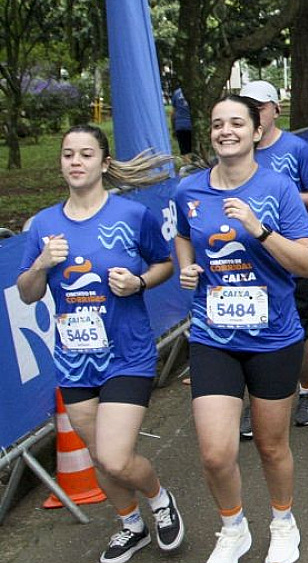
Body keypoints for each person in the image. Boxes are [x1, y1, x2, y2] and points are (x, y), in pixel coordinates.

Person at [17, 126, 183, 563]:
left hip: (127, 355)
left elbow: (164, 263)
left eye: (85, 154)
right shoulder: (44, 225)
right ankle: (131, 526)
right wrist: (40, 263)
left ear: (103, 164)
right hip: (75, 362)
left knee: (113, 456)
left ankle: (160, 499)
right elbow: (28, 292)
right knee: (98, 456)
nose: (75, 161)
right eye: (68, 154)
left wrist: (139, 282)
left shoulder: (130, 216)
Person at [174, 95, 308, 563]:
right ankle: (233, 528)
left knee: (272, 446)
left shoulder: (277, 189)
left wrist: (259, 230)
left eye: (237, 122)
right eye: (217, 124)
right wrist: (187, 267)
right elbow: (181, 233)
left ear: (257, 132)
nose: (226, 131)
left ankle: (283, 522)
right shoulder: (190, 192)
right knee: (216, 453)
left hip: (274, 337)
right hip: (213, 336)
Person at [243, 80, 308, 431]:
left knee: (297, 336)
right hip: (250, 259)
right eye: (246, 107)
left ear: (276, 109)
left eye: (259, 107)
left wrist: (283, 197)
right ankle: (257, 401)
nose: (254, 115)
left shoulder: (295, 149)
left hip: (293, 254)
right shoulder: (237, 151)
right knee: (250, 333)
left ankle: (307, 390)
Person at [170, 87, 193, 156]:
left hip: (180, 125)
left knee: (184, 152)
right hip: (192, 125)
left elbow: (173, 112)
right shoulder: (197, 92)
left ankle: (189, 165)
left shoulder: (177, 93)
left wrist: (173, 128)